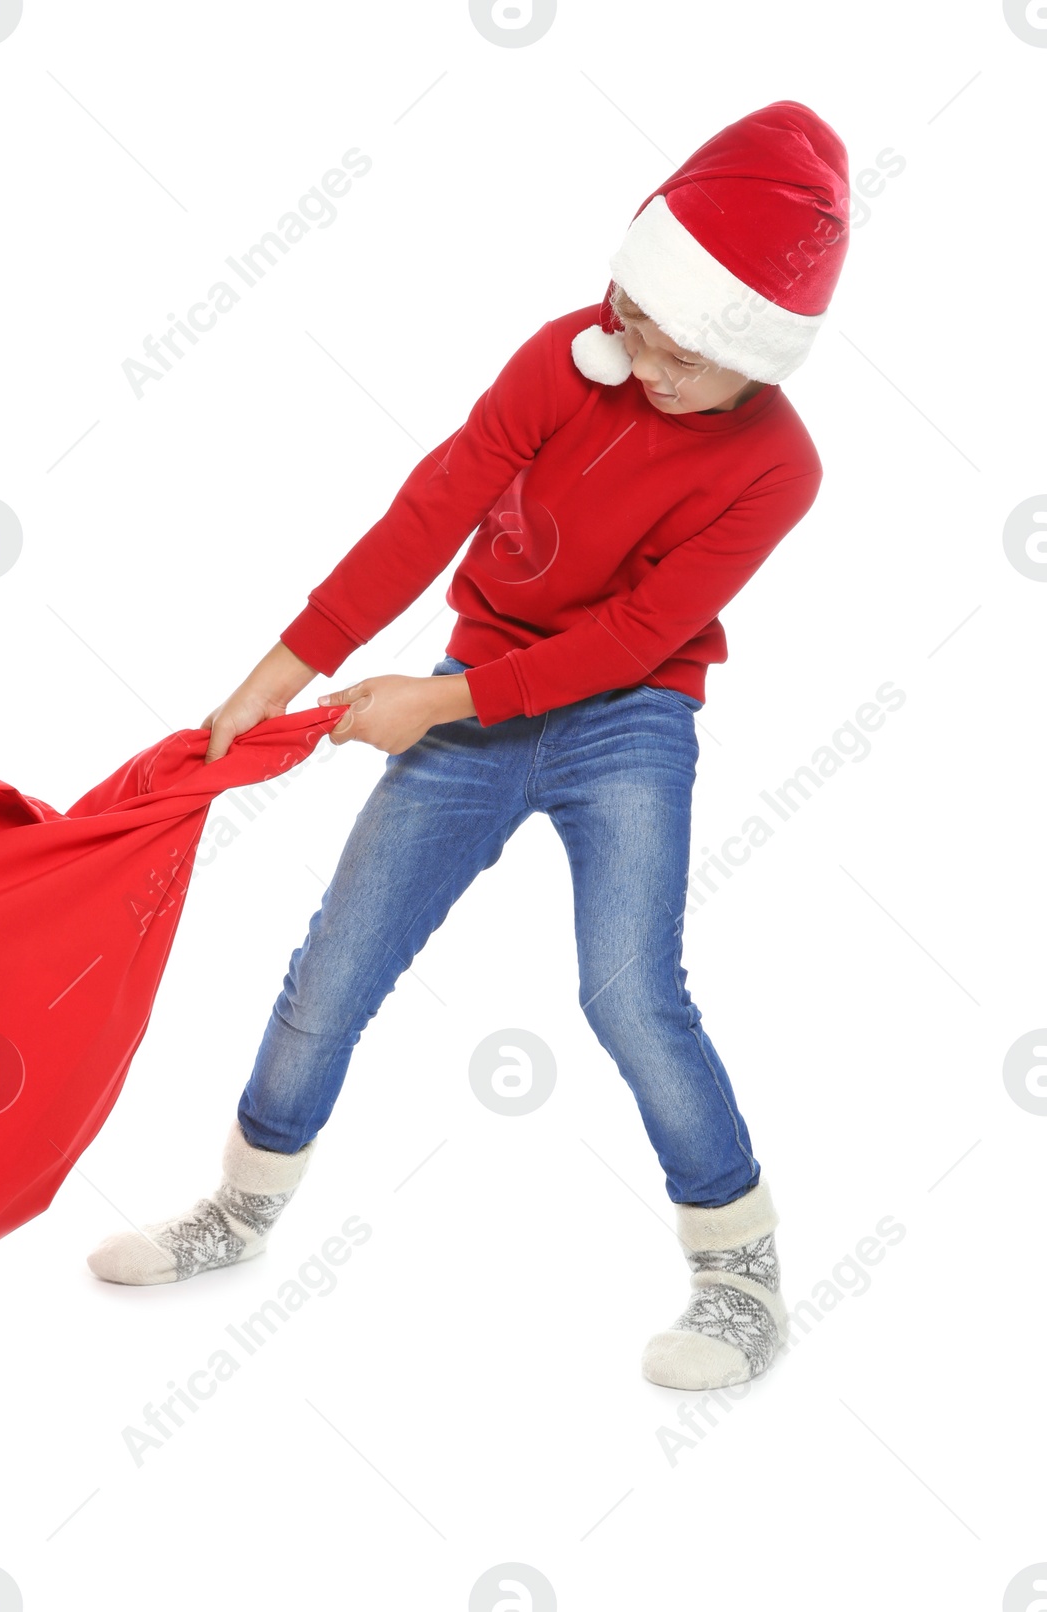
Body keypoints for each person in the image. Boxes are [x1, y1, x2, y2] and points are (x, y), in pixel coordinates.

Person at [87, 101, 850, 1392]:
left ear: (759, 359)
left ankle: (739, 1270)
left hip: (628, 719)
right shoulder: (568, 358)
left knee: (628, 991)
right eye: (633, 331)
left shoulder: (779, 467)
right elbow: (429, 509)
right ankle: (244, 1204)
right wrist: (276, 676)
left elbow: (632, 636)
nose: (641, 367)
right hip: (471, 691)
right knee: (338, 959)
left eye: (678, 361)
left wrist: (438, 705)